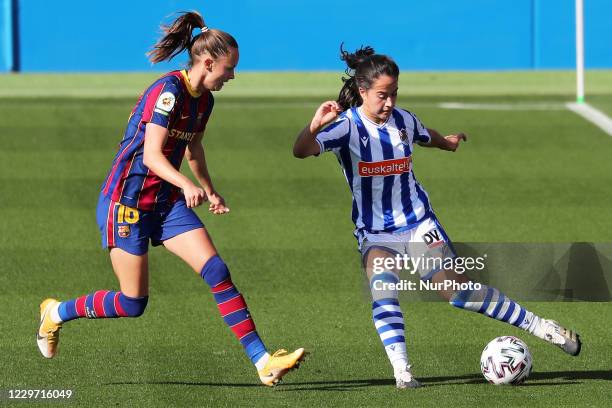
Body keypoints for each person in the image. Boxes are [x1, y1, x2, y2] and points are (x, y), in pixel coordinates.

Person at [36, 11, 304, 387]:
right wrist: (186, 184)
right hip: (125, 203)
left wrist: (207, 187)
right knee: (133, 304)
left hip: (165, 204)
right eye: (228, 68)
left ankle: (262, 360)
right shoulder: (168, 91)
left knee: (216, 271)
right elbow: (151, 155)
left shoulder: (204, 101)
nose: (232, 75)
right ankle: (56, 312)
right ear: (208, 62)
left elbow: (193, 148)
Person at [293, 45, 580, 389]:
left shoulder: (404, 120)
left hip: (419, 224)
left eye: (395, 94)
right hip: (376, 233)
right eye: (383, 95)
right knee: (383, 290)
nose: (390, 103)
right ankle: (403, 372)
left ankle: (543, 327)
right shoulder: (346, 128)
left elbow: (427, 136)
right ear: (362, 91)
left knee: (457, 293)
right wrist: (313, 126)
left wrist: (449, 142)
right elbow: (301, 151)